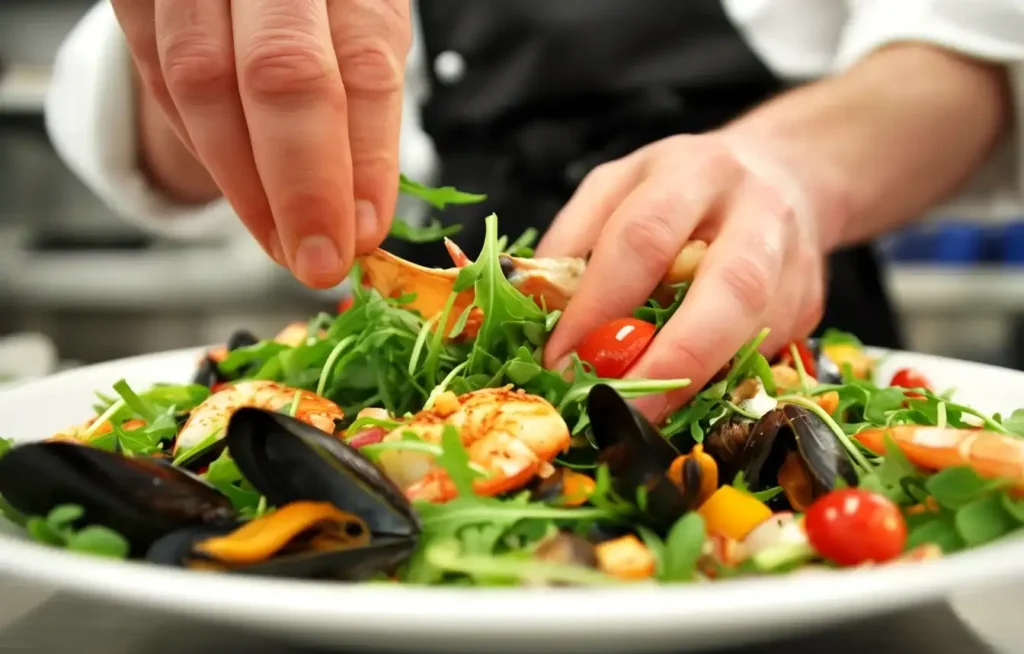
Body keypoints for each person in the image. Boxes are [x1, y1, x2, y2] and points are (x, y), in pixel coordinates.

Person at [46, 1, 1024, 421]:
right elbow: (146, 125)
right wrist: (229, 47)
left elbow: (963, 49)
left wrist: (792, 174)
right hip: (416, 343)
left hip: (768, 320)